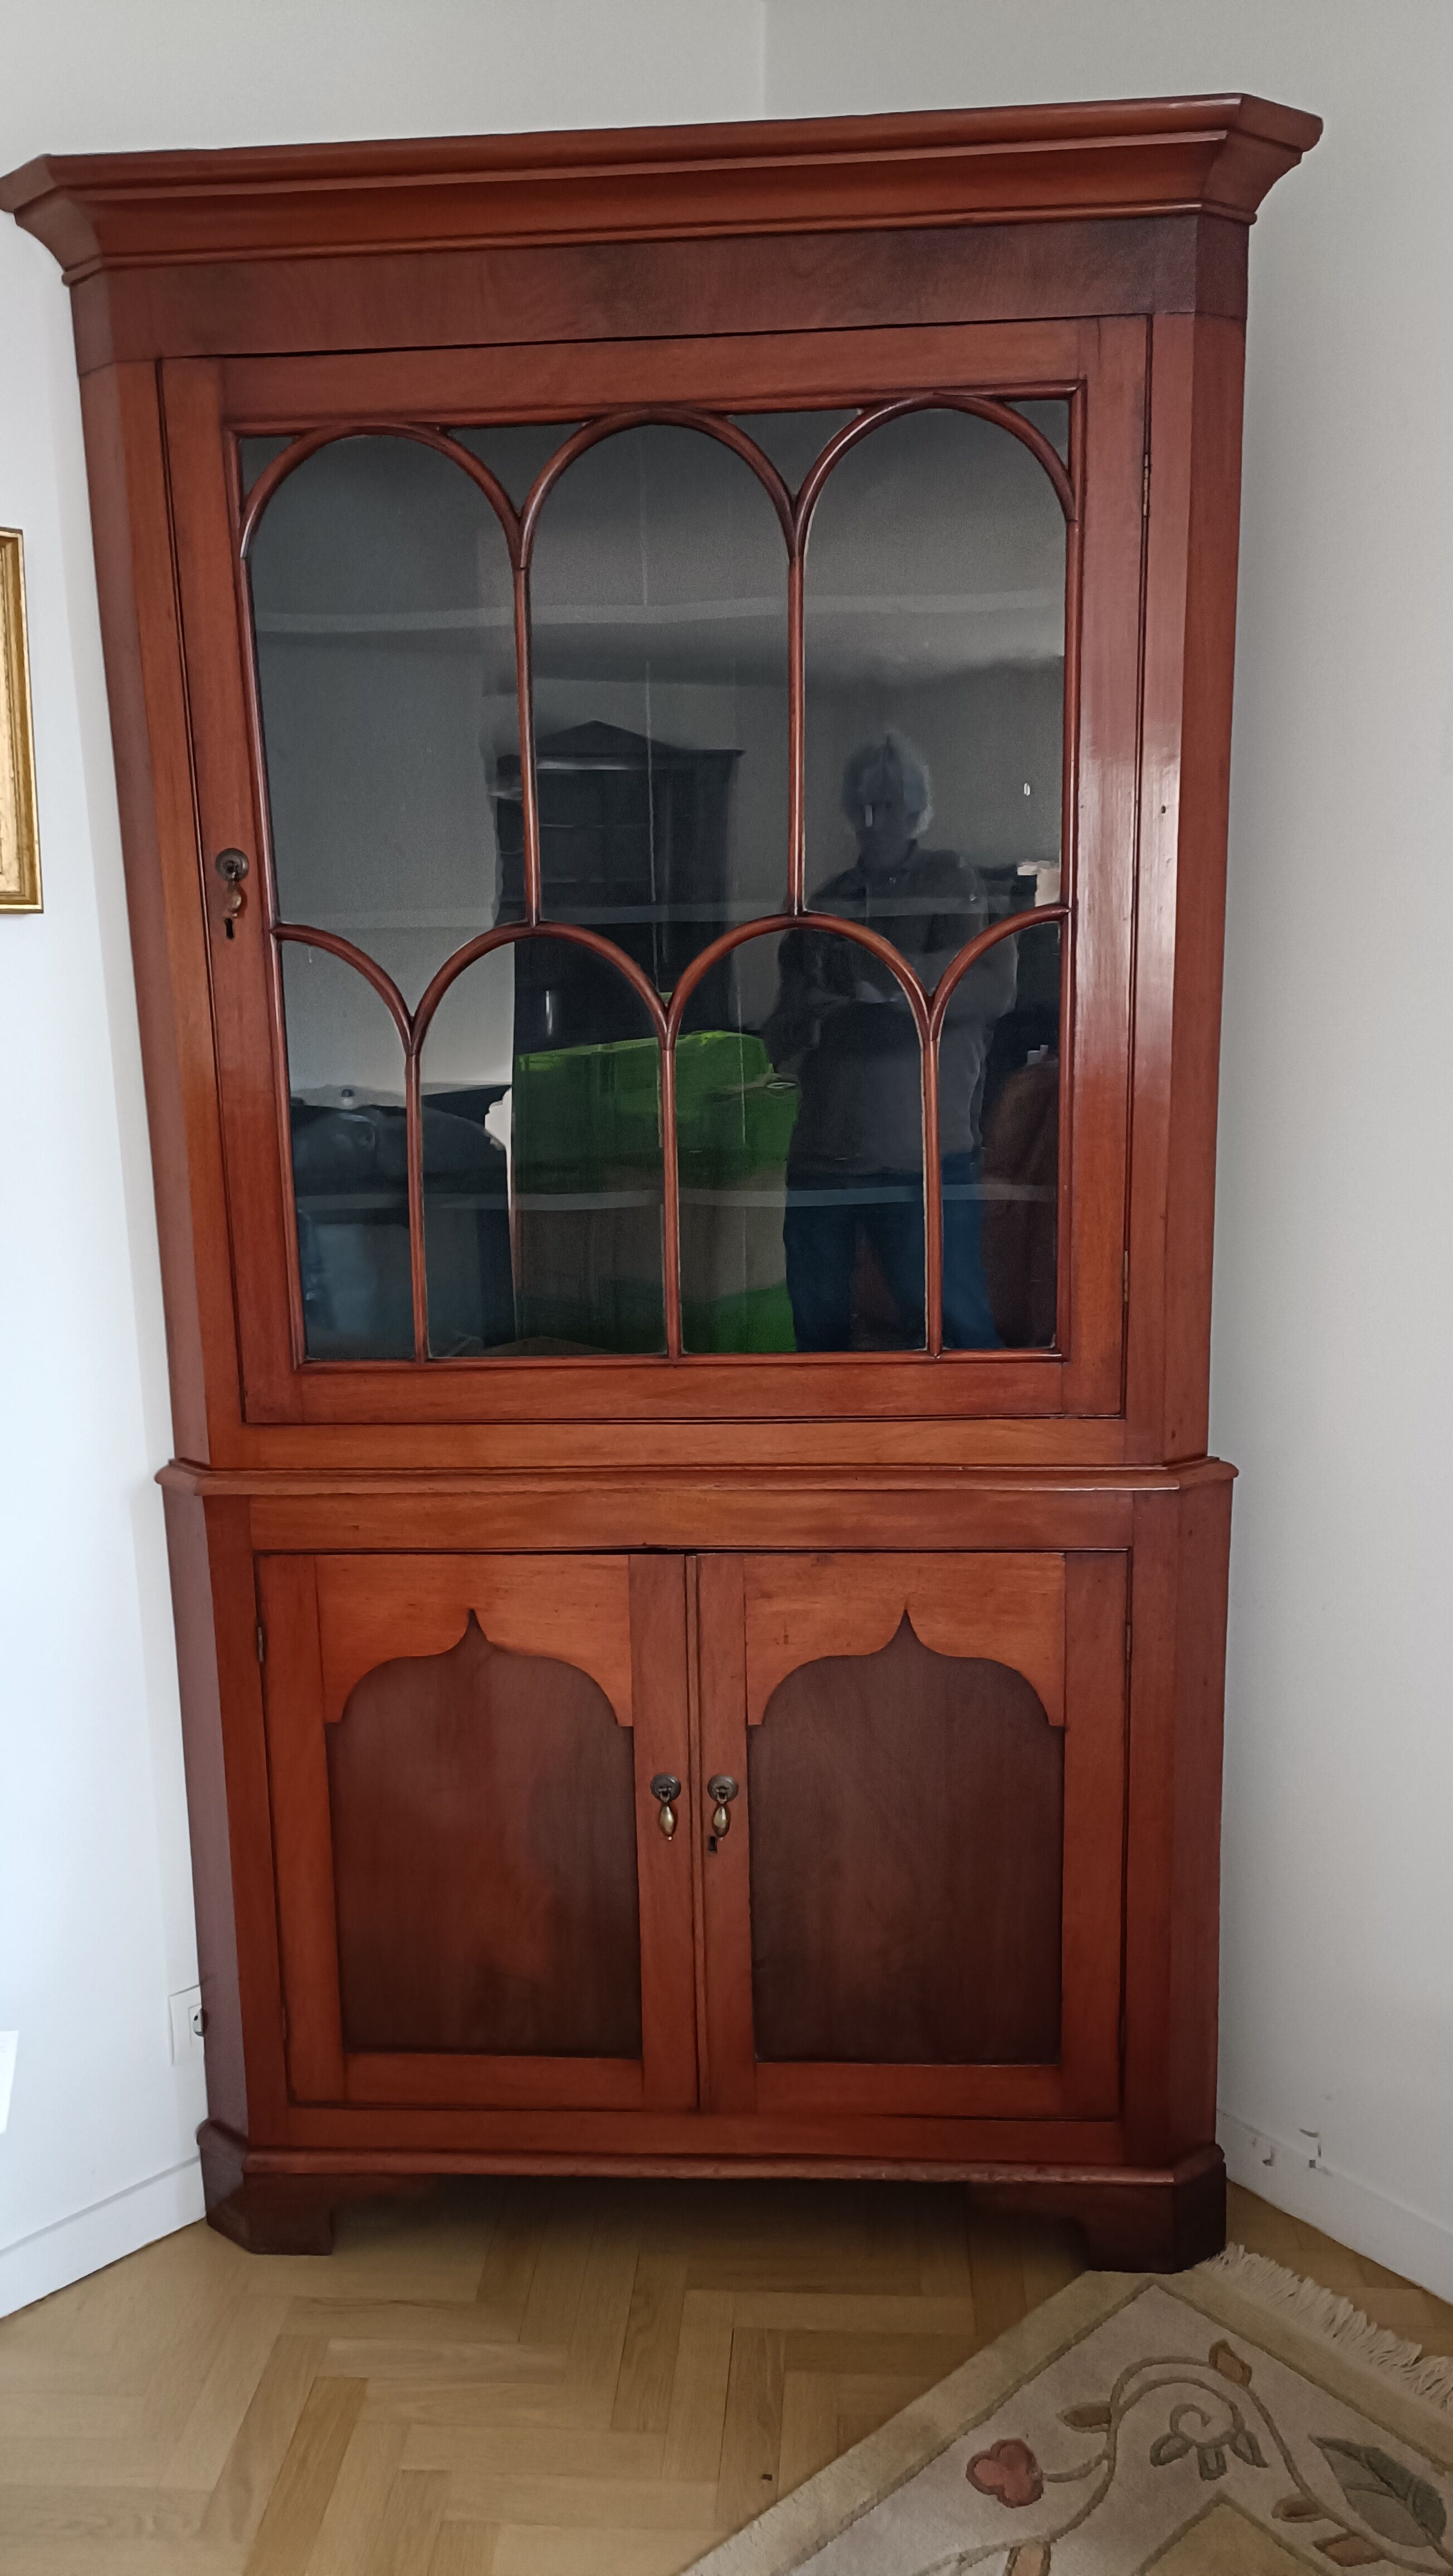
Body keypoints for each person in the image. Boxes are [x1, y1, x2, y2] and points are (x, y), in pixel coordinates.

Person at [762, 731, 1015, 1350]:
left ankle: (976, 1446)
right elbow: (779, 1035)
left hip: (923, 1157)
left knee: (951, 1332)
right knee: (816, 1336)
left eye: (888, 805)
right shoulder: (824, 904)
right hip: (823, 1156)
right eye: (863, 806)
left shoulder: (955, 884)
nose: (873, 820)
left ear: (915, 810)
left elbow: (990, 990)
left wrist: (880, 984)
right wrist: (813, 1014)